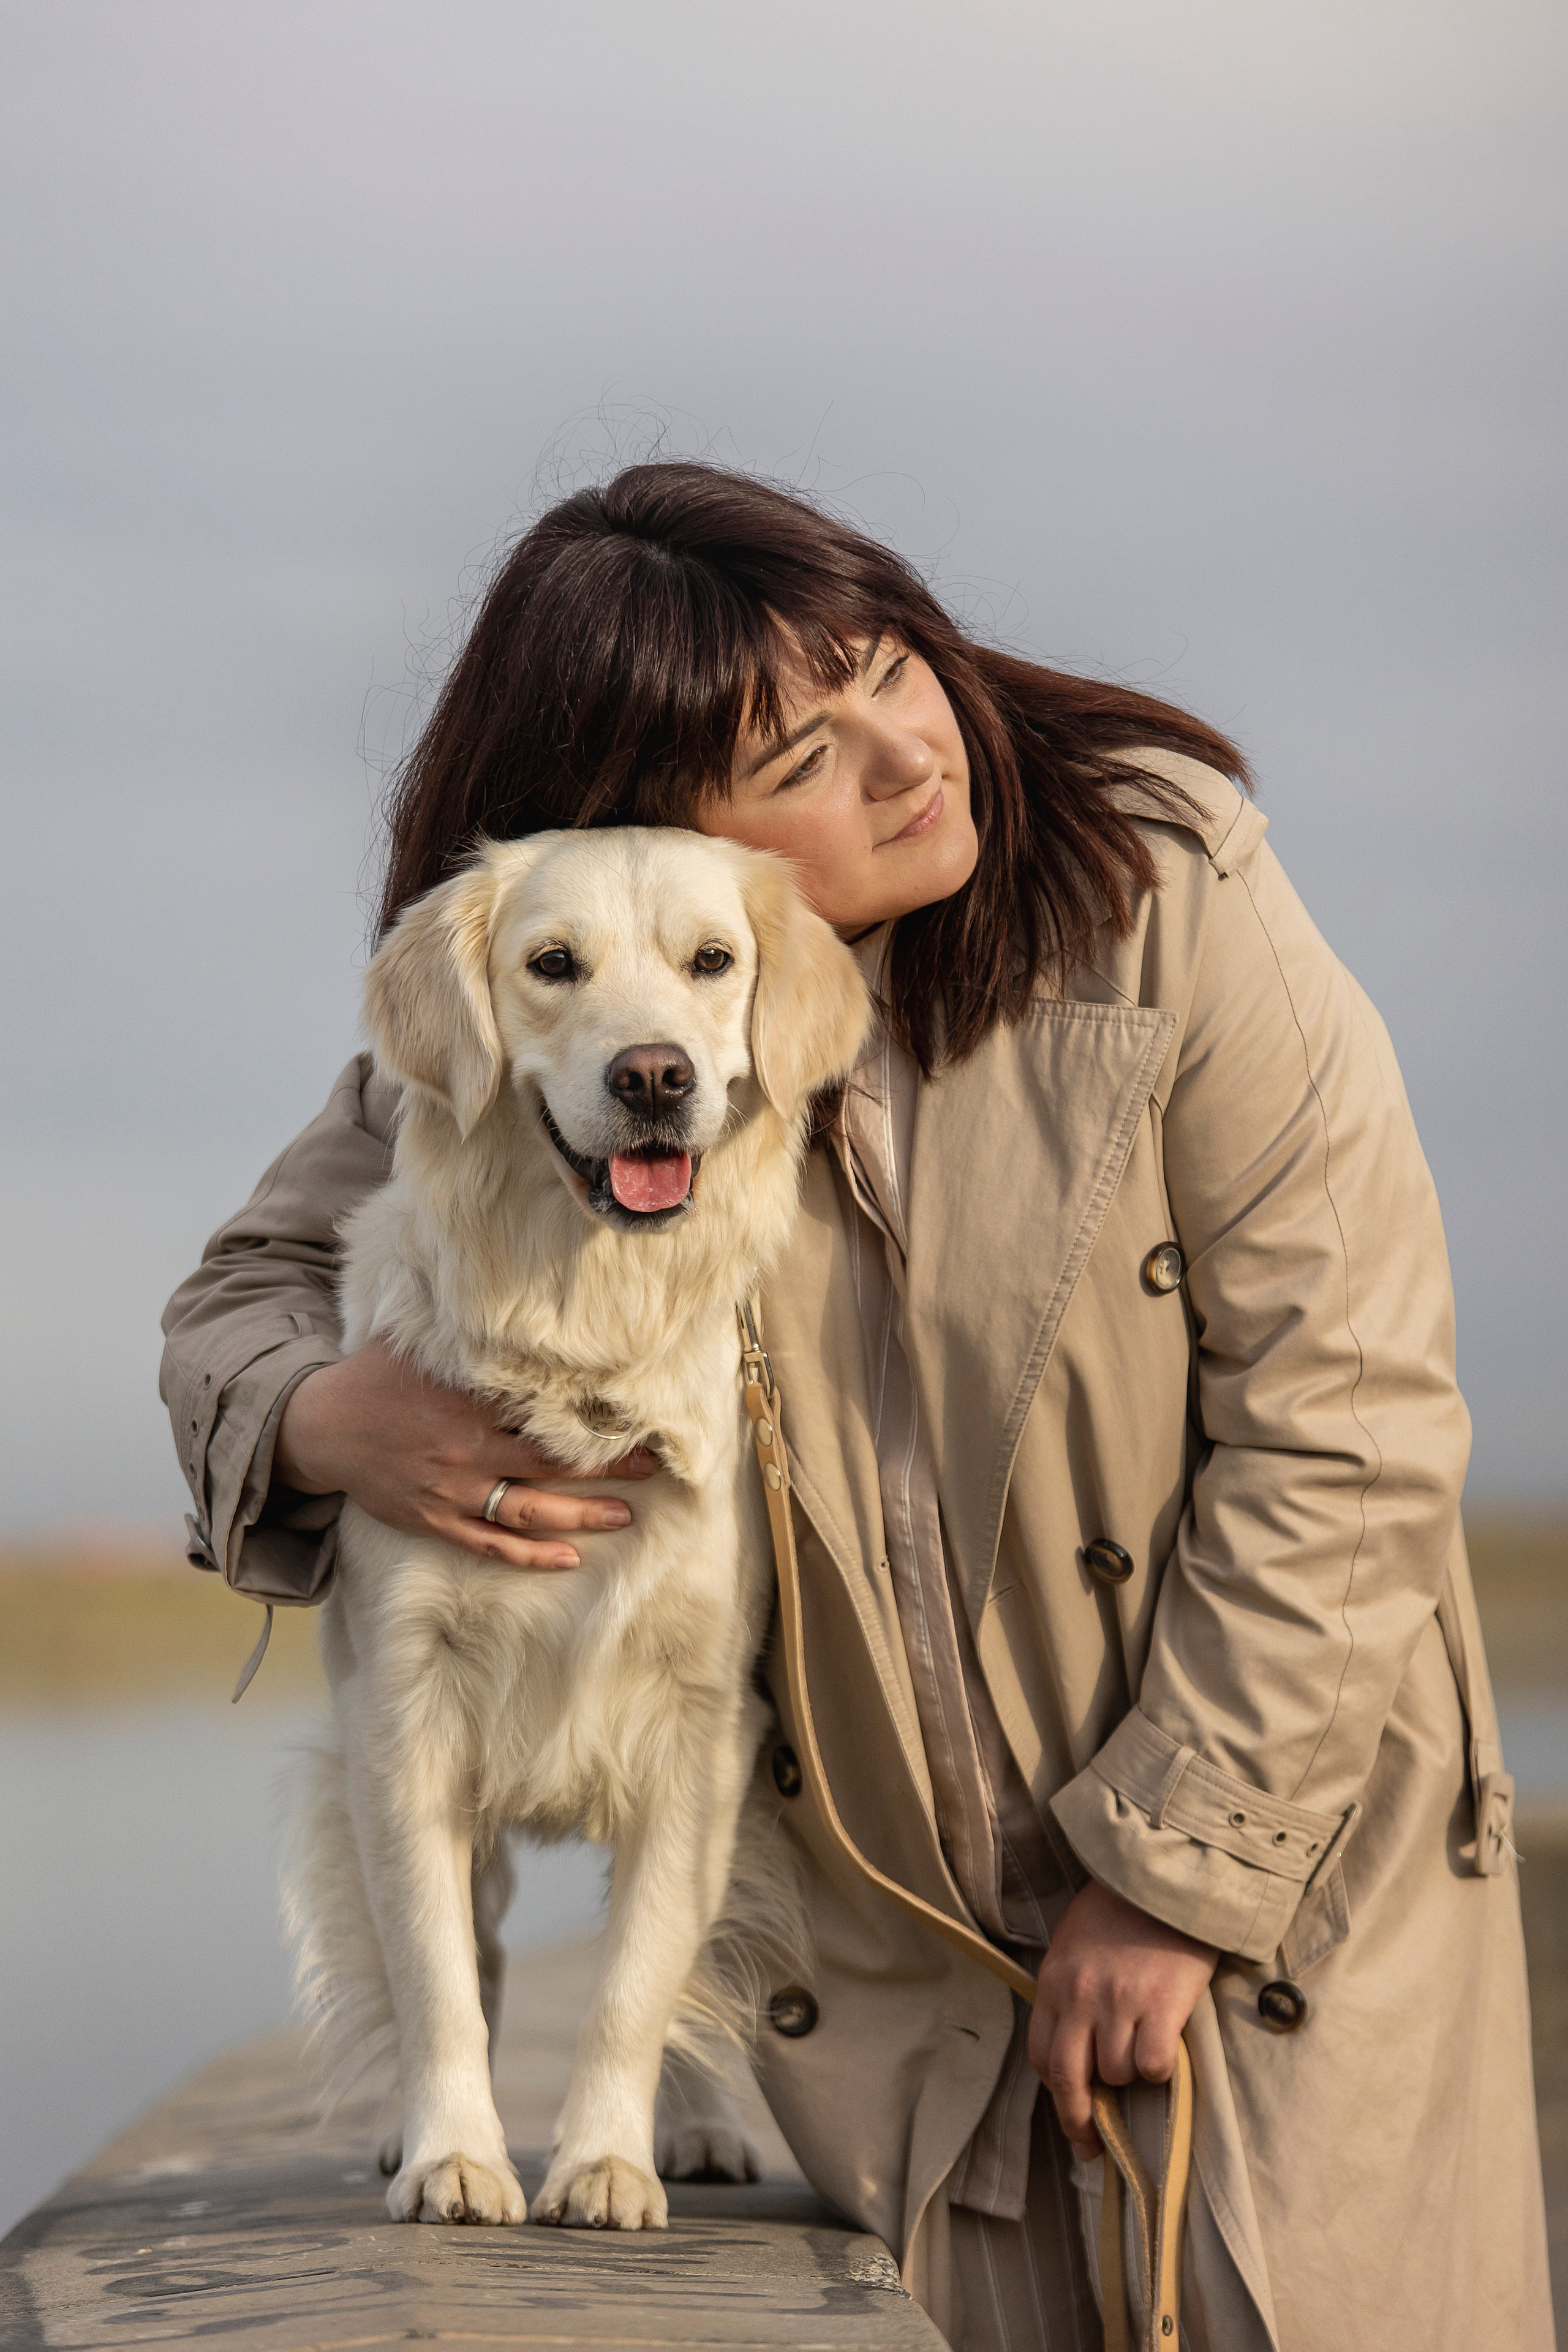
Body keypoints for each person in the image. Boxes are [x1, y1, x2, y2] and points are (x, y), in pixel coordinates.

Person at [161, 463, 1551, 2350]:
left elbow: (1354, 1406)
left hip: (1276, 1896)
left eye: (889, 660)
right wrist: (331, 1423)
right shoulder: (601, 1010)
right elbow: (240, 1303)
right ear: (649, 832)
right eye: (802, 756)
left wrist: (1177, 1874)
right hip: (895, 1991)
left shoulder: (1169, 886)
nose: (907, 753)